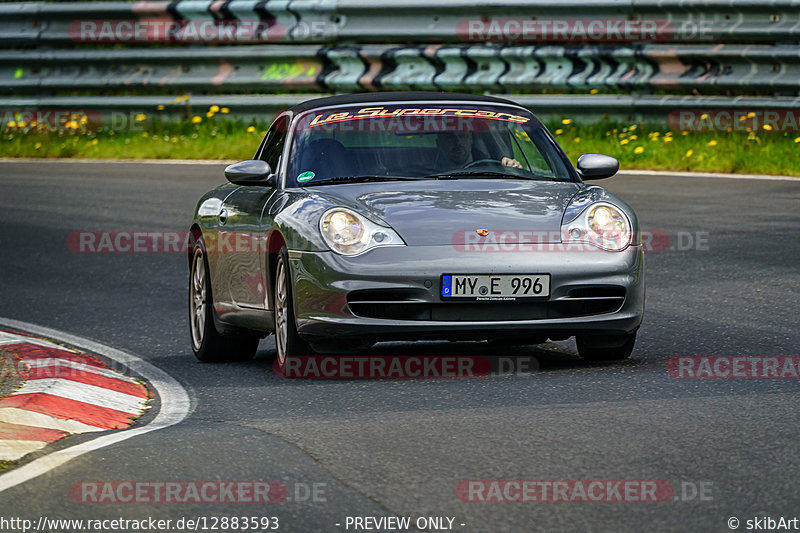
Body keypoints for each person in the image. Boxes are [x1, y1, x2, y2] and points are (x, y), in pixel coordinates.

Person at [435, 131, 523, 169]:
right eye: (450, 137)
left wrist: (514, 169)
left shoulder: (493, 170)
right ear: (439, 143)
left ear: (471, 139)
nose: (458, 142)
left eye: (463, 136)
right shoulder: (425, 173)